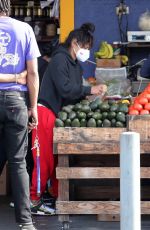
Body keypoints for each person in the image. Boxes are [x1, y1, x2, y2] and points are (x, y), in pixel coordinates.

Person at [30, 22, 107, 215]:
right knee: (44, 161)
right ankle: (33, 200)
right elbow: (65, 89)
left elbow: (73, 93)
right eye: (86, 47)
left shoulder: (75, 66)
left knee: (58, 161)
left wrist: (91, 96)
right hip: (45, 113)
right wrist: (90, 89)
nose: (87, 52)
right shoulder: (59, 60)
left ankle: (58, 198)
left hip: (58, 118)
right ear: (75, 43)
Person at [0, 1, 40, 230]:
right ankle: (25, 223)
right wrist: (33, 106)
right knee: (18, 163)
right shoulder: (24, 29)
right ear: (8, 6)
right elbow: (32, 72)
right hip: (16, 101)